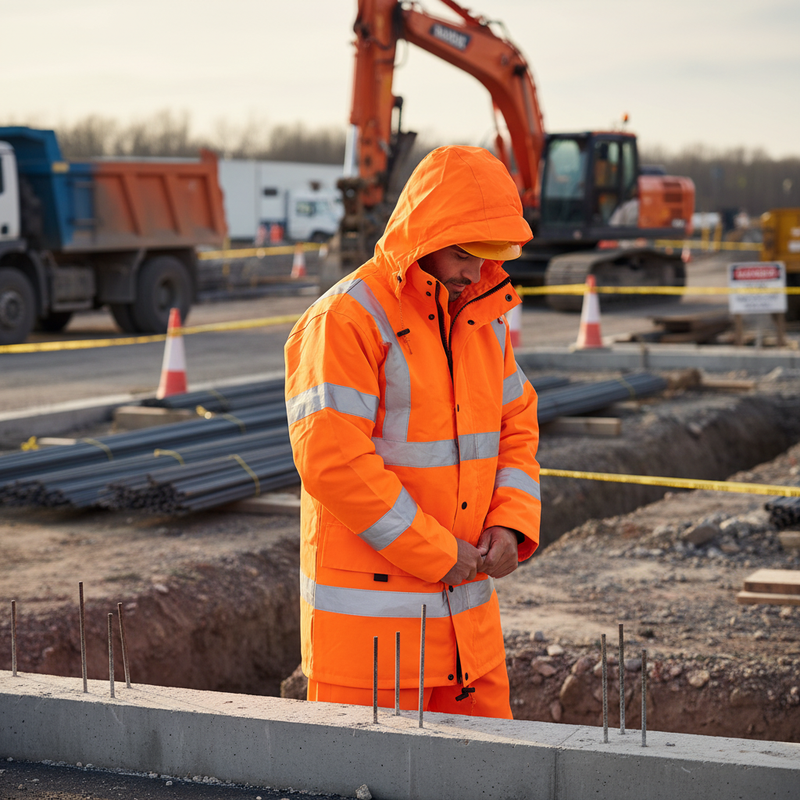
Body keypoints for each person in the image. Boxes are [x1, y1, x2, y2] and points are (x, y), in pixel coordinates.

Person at [284, 145, 541, 719]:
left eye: (490, 255)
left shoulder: (481, 319)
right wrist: (435, 553)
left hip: (468, 645)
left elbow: (517, 423)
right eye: (464, 253)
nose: (476, 272)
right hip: (370, 654)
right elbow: (332, 460)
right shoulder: (346, 320)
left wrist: (510, 521)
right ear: (426, 235)